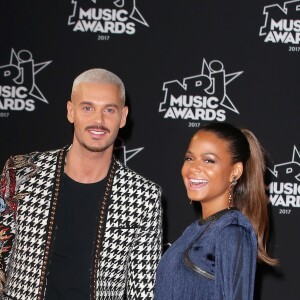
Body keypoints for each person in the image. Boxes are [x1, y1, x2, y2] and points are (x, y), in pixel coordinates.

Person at [0, 68, 162, 299]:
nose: (99, 120)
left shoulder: (143, 196)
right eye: (88, 108)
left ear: (123, 116)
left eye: (109, 110)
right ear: (71, 111)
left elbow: (144, 292)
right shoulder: (23, 171)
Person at [155, 122, 277, 300]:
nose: (193, 168)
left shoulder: (233, 231)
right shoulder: (194, 230)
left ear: (235, 171)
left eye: (208, 160)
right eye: (189, 158)